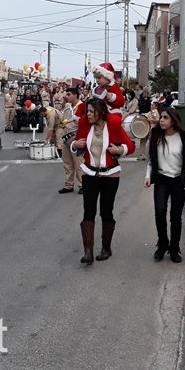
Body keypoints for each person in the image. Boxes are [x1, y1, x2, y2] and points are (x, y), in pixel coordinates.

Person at [70, 98, 135, 264]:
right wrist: (75, 144)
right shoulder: (85, 124)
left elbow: (130, 146)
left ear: (101, 112)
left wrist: (119, 149)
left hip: (110, 175)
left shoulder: (113, 125)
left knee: (106, 211)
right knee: (88, 211)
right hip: (89, 174)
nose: (88, 114)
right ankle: (88, 252)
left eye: (92, 111)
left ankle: (106, 248)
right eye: (87, 111)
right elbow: (75, 144)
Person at [144, 107, 185, 263]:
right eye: (161, 117)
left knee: (175, 217)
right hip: (161, 180)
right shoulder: (155, 135)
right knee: (160, 213)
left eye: (165, 117)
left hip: (177, 181)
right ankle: (162, 245)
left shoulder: (184, 137)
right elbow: (151, 160)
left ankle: (174, 249)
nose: (161, 120)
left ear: (173, 120)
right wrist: (148, 176)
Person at [58, 87, 85, 194]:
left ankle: (82, 184)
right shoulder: (67, 107)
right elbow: (63, 122)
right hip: (66, 139)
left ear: (75, 95)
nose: (66, 96)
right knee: (67, 163)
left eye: (69, 94)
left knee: (79, 163)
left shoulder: (82, 107)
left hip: (76, 138)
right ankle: (68, 185)